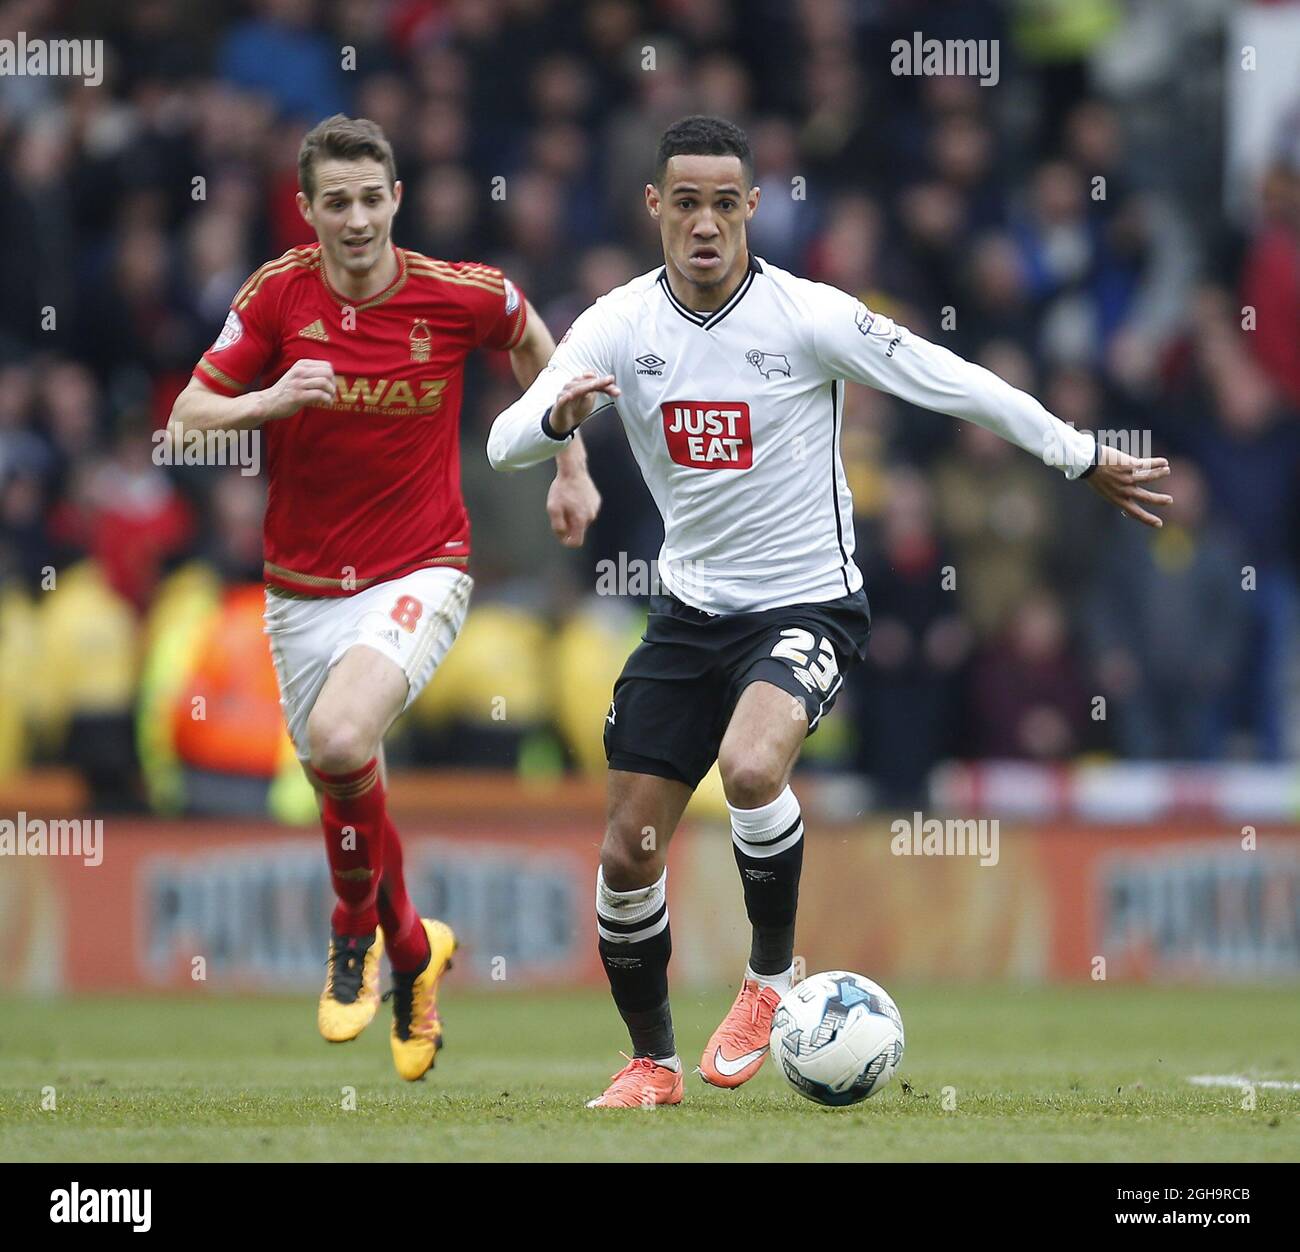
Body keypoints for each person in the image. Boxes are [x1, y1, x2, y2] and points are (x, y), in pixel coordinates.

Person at [488, 115, 1171, 1109]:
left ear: (753, 208)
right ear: (654, 208)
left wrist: (1078, 453)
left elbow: (952, 380)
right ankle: (652, 1063)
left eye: (726, 202)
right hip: (686, 614)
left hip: (806, 601)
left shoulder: (808, 316)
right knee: (626, 852)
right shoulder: (616, 327)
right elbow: (509, 434)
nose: (707, 223)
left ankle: (769, 978)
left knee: (753, 764)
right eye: (687, 202)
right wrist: (555, 418)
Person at [167, 114, 600, 1081]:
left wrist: (567, 463)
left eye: (372, 199)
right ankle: (414, 953)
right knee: (344, 779)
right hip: (301, 589)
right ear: (308, 209)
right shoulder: (278, 296)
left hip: (423, 566)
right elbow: (187, 423)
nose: (356, 219)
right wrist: (269, 402)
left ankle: (350, 933)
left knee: (337, 741)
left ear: (396, 200)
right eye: (337, 203)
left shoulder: (454, 295)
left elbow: (537, 340)